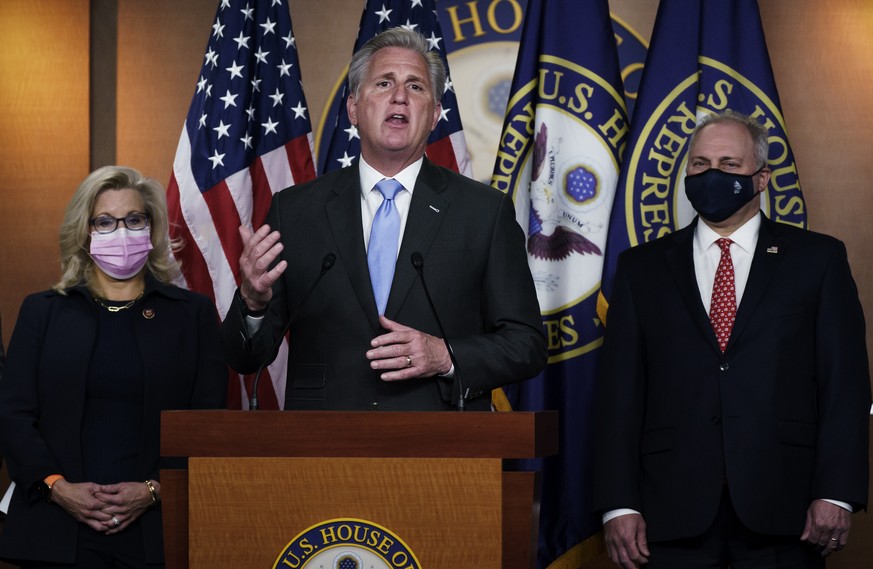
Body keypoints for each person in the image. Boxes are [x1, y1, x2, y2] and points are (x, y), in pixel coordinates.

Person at [593, 110, 871, 568]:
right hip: (668, 513)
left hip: (787, 510)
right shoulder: (641, 268)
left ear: (761, 178)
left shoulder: (817, 260)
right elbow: (619, 394)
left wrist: (837, 493)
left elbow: (844, 386)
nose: (712, 175)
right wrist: (619, 503)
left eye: (729, 164)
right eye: (700, 165)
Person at [221, 27, 546, 411]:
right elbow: (244, 359)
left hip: (442, 450)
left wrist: (445, 355)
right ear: (353, 108)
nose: (399, 97)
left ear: (435, 114)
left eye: (416, 87)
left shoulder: (483, 212)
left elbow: (526, 344)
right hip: (320, 450)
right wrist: (253, 302)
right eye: (384, 83)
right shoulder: (294, 211)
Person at [0, 166, 228, 568]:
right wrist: (57, 487)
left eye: (134, 220)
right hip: (54, 528)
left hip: (159, 529)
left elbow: (208, 422)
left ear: (151, 228)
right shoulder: (43, 312)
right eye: (105, 221)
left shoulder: (192, 315)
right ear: (84, 232)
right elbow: (14, 414)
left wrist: (155, 489)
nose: (121, 232)